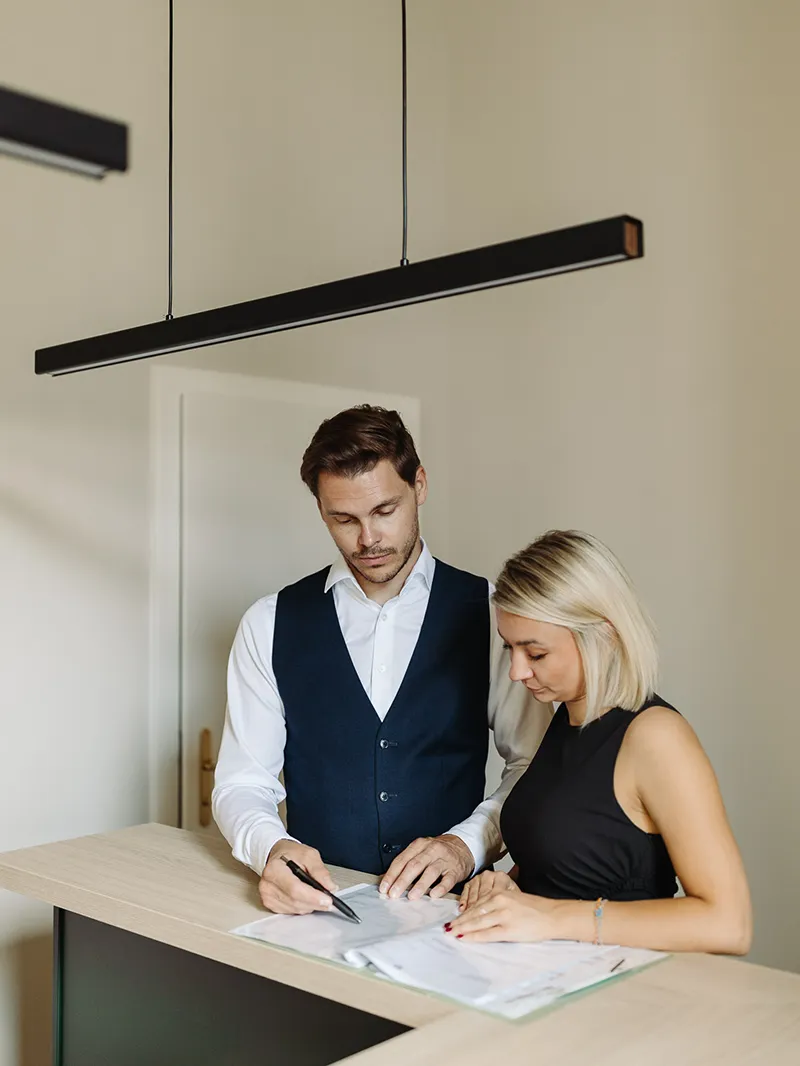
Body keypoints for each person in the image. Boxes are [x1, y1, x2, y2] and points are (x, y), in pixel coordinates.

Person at [212, 405, 551, 916]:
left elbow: (530, 764)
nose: (367, 539)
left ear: (420, 485)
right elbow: (242, 782)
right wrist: (270, 849)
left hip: (453, 913)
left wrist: (466, 846)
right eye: (343, 519)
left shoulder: (490, 616)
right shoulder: (269, 622)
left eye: (384, 511)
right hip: (319, 911)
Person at [447, 530, 752, 955]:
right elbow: (574, 862)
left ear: (603, 635)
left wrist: (549, 917)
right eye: (509, 650)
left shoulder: (656, 739)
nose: (516, 673)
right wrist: (506, 887)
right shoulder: (564, 721)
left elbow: (729, 925)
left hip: (623, 996)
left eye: (535, 654)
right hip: (543, 982)